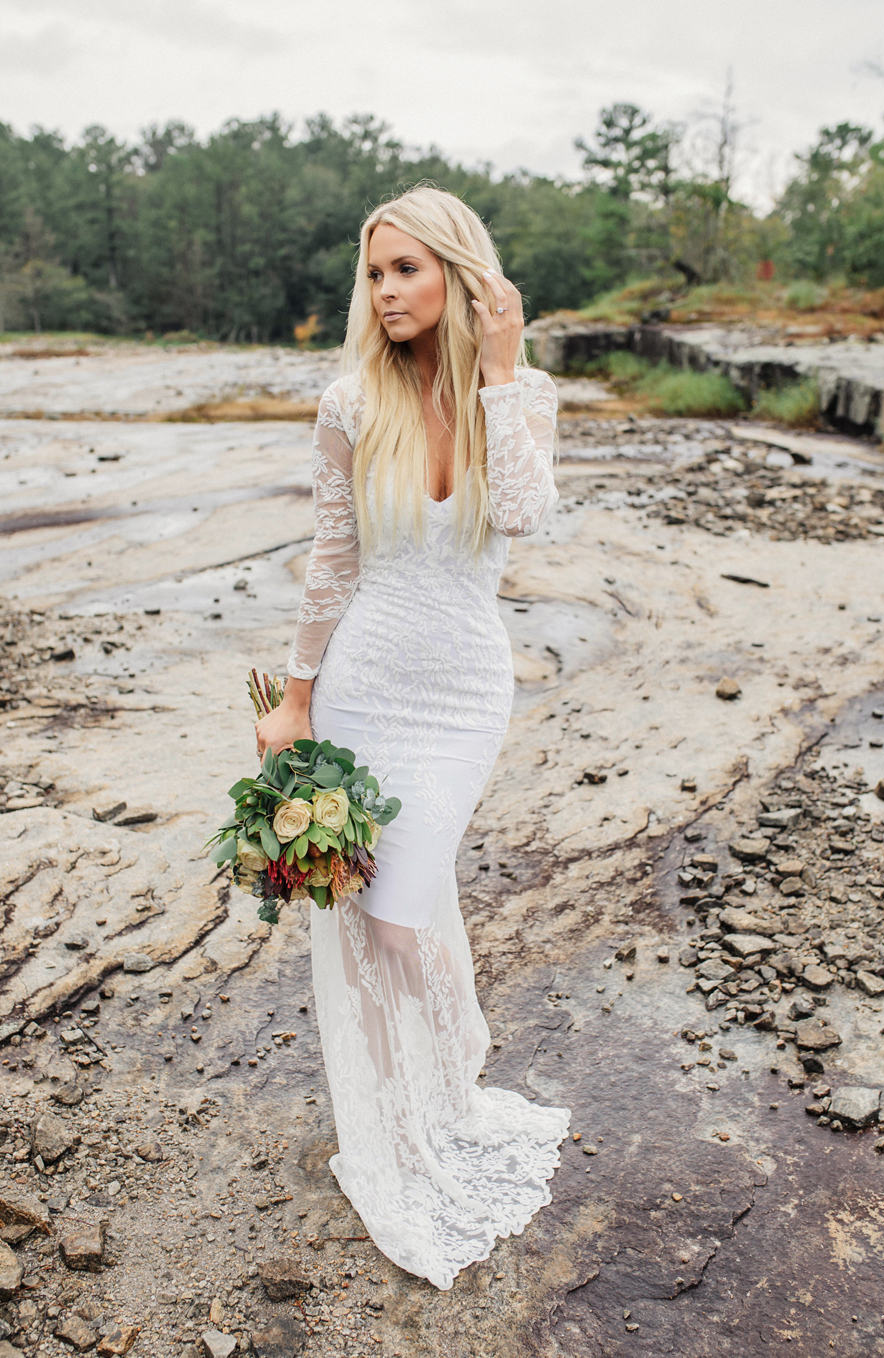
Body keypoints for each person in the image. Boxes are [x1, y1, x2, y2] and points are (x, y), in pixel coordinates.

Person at [254, 184, 570, 1291]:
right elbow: (330, 561)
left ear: (458, 274)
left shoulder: (517, 395)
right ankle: (404, 1108)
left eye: (405, 270)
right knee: (375, 919)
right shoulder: (348, 402)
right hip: (363, 685)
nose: (385, 291)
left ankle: (448, 1083)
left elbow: (524, 516)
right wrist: (294, 699)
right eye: (374, 273)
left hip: (461, 693)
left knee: (402, 906)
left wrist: (498, 364)